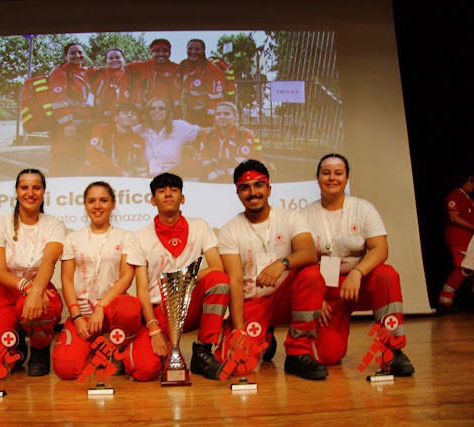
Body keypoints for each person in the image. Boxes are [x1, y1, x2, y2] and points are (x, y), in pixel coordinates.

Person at [301, 153, 414, 376]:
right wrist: (316, 296)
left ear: (346, 178)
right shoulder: (305, 215)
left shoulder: (363, 209)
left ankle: (394, 350)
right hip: (328, 289)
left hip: (359, 283)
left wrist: (358, 272)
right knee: (328, 356)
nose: (332, 178)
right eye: (326, 173)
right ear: (318, 178)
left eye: (338, 173)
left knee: (386, 274)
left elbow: (381, 249)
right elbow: (303, 260)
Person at [215, 159, 328, 381]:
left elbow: (309, 253)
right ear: (238, 193)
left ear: (269, 189)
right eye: (245, 188)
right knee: (233, 363)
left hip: (285, 297)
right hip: (254, 303)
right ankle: (265, 334)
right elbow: (235, 282)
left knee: (311, 273)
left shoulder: (291, 217)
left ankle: (298, 351)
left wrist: (282, 263)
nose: (253, 192)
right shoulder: (229, 230)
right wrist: (238, 332)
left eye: (258, 185)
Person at [124, 173, 230, 381]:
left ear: (182, 198)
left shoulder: (199, 226)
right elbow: (142, 290)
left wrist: (181, 280)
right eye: (161, 191)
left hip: (191, 305)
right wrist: (153, 329)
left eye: (173, 190)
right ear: (153, 200)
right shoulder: (140, 236)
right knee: (143, 370)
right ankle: (166, 352)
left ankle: (202, 350)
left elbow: (217, 266)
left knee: (219, 280)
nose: (168, 194)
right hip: (161, 310)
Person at [0, 169, 65, 382]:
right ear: (16, 191)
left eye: (36, 187)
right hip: (5, 292)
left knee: (41, 304)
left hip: (40, 288)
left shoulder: (54, 224)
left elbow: (48, 261)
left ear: (44, 191)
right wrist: (27, 286)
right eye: (24, 187)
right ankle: (15, 343)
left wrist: (35, 290)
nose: (30, 193)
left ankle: (39, 347)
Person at [52, 182, 141, 379]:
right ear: (85, 205)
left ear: (113, 204)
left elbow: (127, 276)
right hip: (83, 313)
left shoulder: (125, 237)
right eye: (91, 201)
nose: (97, 206)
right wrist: (75, 317)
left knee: (129, 308)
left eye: (103, 200)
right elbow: (66, 279)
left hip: (111, 309)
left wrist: (101, 306)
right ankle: (94, 347)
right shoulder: (73, 238)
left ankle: (115, 349)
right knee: (66, 370)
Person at [48, 43, 92, 177]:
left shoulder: (84, 73)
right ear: (65, 56)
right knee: (62, 160)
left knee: (79, 160)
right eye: (72, 53)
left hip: (82, 126)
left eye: (80, 52)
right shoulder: (60, 73)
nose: (77, 56)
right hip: (66, 127)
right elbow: (58, 100)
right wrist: (68, 123)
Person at [133, 97, 202, 179]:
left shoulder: (179, 126)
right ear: (148, 112)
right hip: (149, 176)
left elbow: (202, 132)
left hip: (174, 175)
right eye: (152, 108)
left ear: (167, 112)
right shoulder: (140, 129)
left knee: (192, 164)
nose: (157, 110)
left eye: (161, 108)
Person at [437, 170, 474, 314]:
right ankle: (444, 301)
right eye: (471, 181)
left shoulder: (470, 200)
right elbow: (454, 217)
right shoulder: (455, 195)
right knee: (462, 269)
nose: (473, 184)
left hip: (470, 240)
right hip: (459, 238)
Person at [80, 102, 147, 177]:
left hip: (123, 177)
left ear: (137, 121)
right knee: (95, 168)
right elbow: (94, 154)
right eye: (125, 113)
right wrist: (119, 171)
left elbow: (140, 165)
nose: (129, 115)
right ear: (116, 118)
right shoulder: (101, 129)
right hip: (99, 176)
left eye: (133, 114)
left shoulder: (139, 140)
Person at [200, 102, 262, 183]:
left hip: (239, 177)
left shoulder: (244, 134)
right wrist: (214, 179)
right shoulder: (207, 136)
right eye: (218, 114)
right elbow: (205, 159)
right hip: (214, 178)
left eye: (226, 114)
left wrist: (228, 182)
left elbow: (241, 162)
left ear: (235, 116)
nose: (221, 117)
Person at [126, 39, 182, 118]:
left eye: (165, 51)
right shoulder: (141, 66)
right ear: (151, 52)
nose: (161, 54)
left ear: (170, 53)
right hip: (148, 114)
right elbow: (116, 67)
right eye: (157, 51)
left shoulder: (177, 68)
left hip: (169, 114)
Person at [177, 39, 226, 127]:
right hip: (190, 111)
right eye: (190, 48)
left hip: (206, 113)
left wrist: (213, 121)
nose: (193, 52)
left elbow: (216, 99)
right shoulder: (183, 65)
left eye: (197, 49)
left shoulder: (212, 69)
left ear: (203, 51)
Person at [89, 49, 140, 126]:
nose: (114, 60)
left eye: (117, 57)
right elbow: (90, 101)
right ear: (106, 60)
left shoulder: (132, 80)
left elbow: (137, 104)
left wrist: (135, 122)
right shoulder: (98, 76)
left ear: (124, 59)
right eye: (110, 58)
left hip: (122, 126)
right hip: (99, 122)